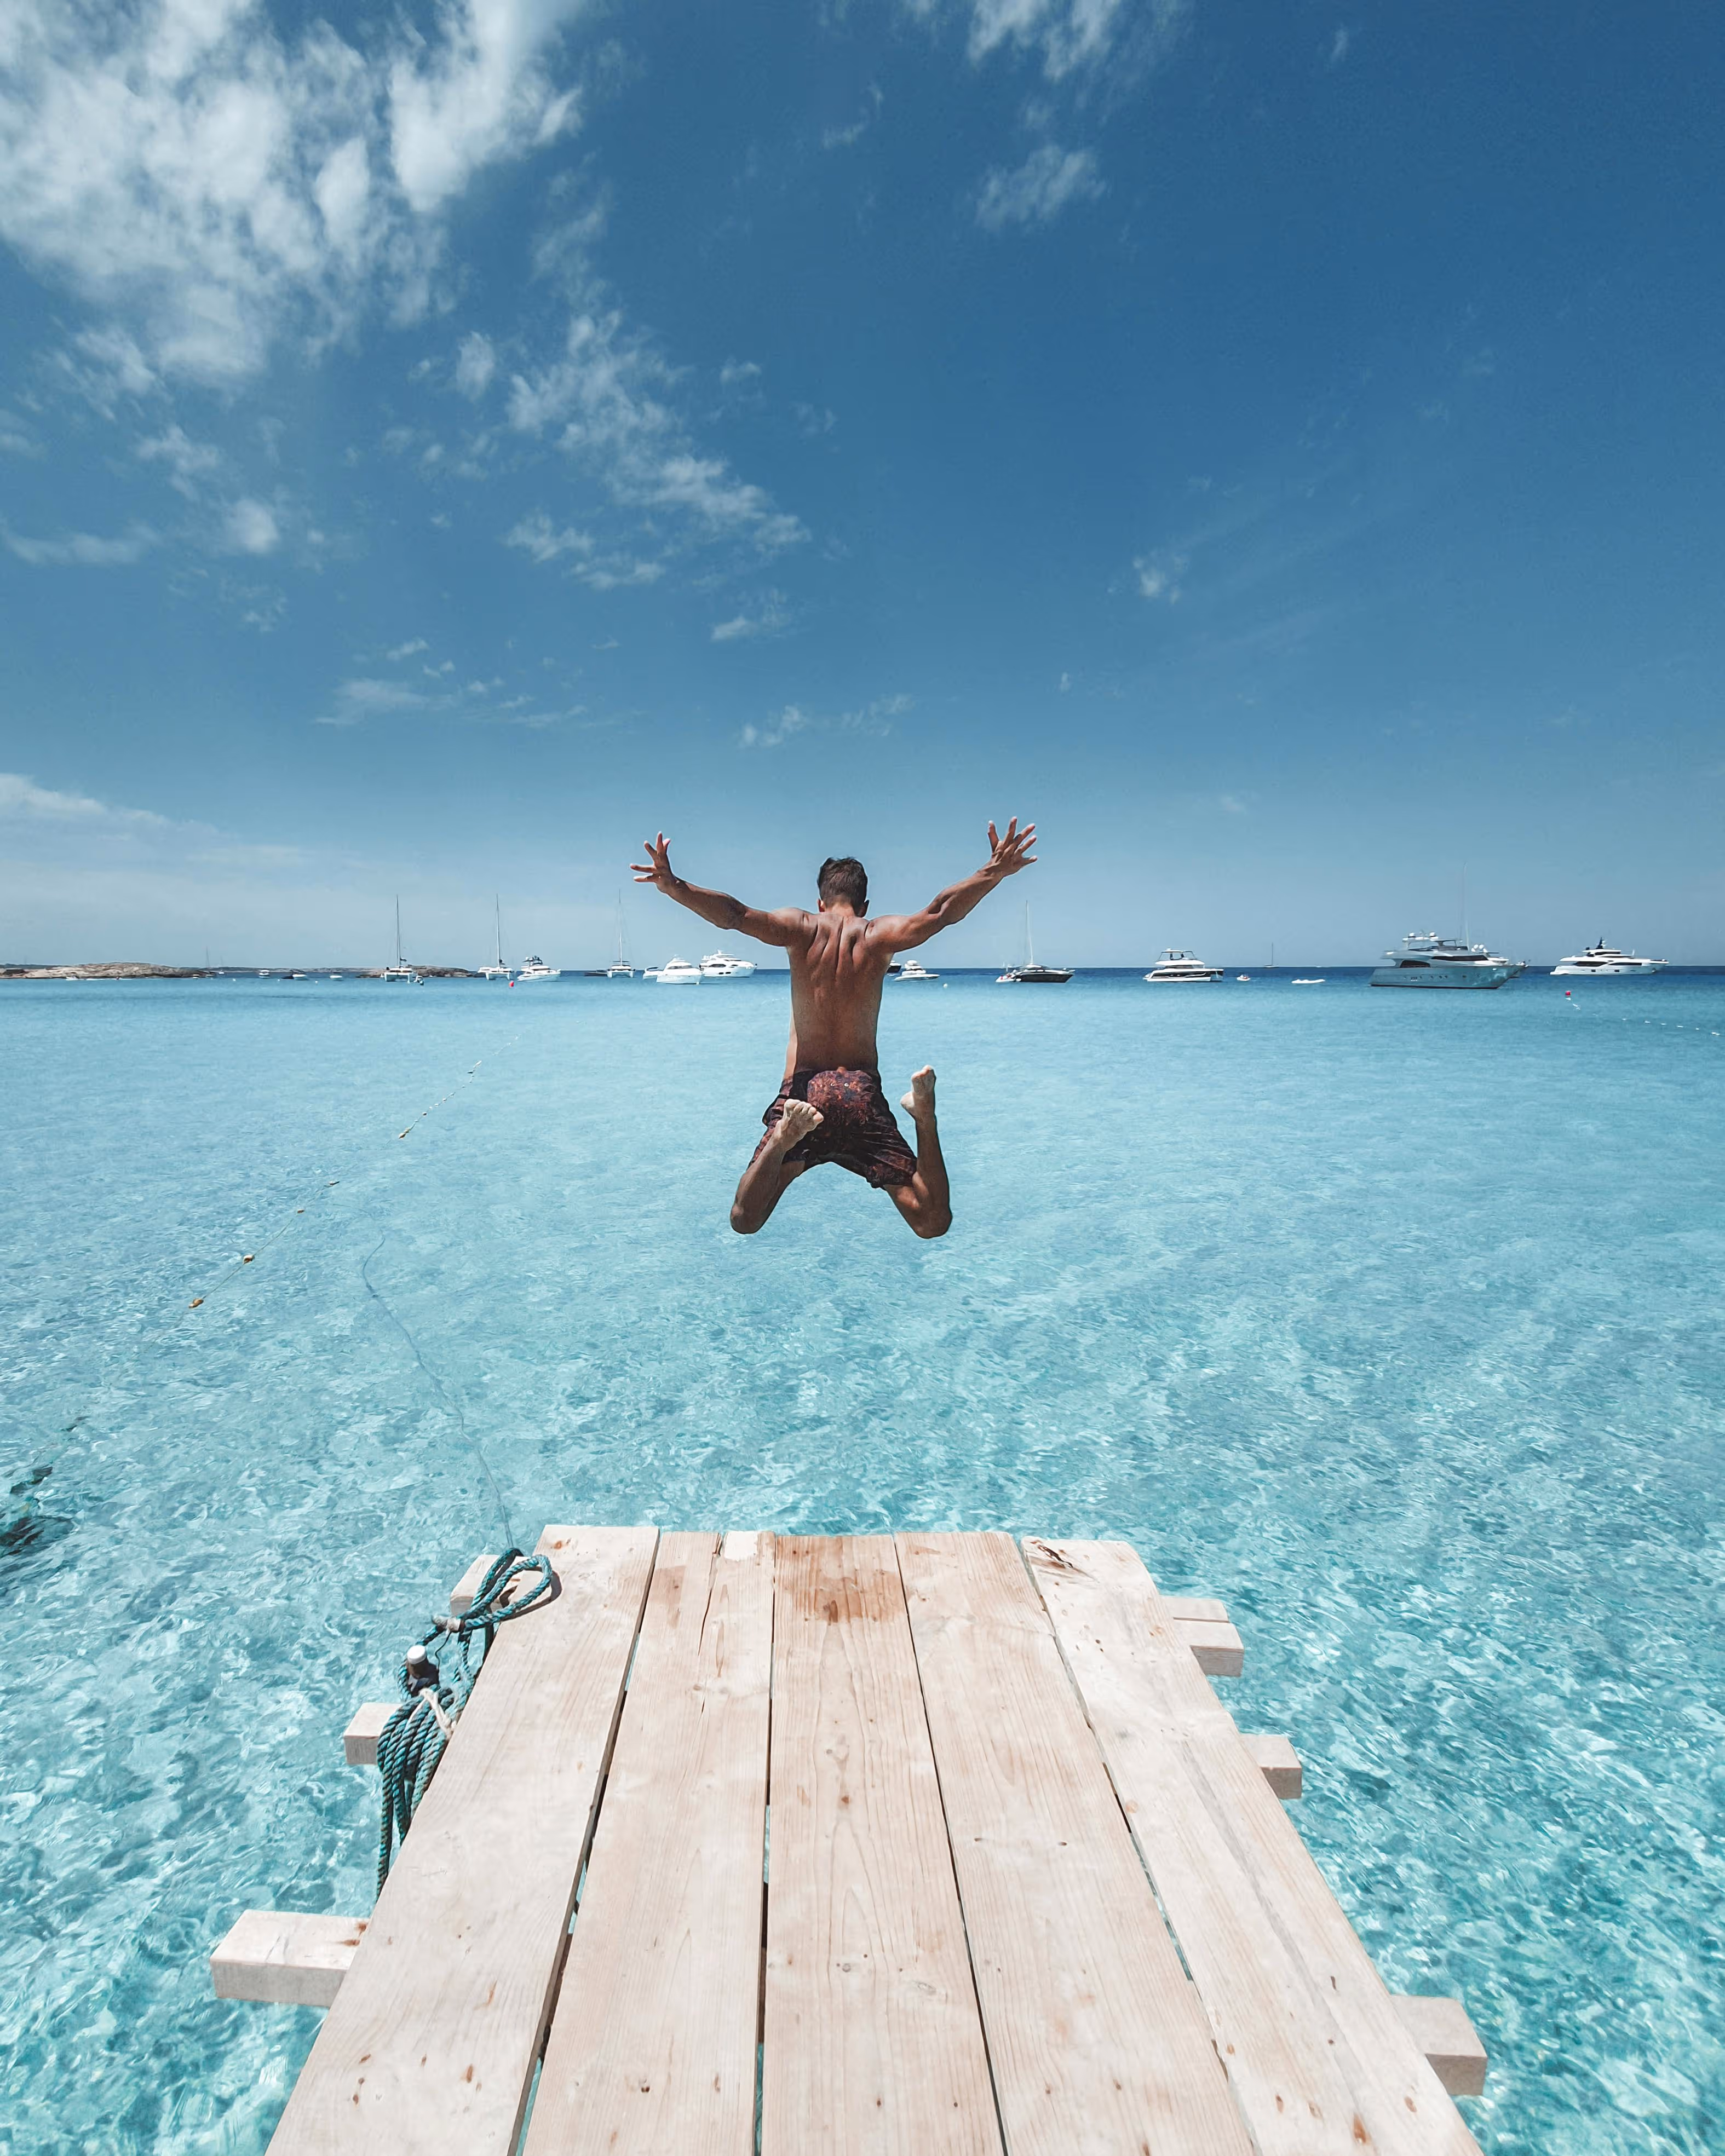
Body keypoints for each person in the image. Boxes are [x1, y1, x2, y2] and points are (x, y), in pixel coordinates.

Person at [630, 820, 1037, 1237]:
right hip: (859, 1091)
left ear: (821, 903)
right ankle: (925, 1118)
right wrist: (993, 872)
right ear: (864, 906)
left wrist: (674, 885)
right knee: (932, 1220)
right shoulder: (879, 934)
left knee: (744, 1218)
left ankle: (782, 1139)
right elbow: (940, 912)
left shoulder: (800, 927)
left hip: (804, 1096)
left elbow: (733, 915)